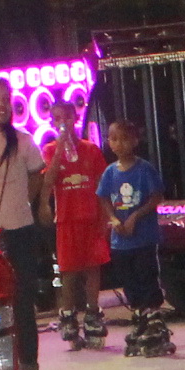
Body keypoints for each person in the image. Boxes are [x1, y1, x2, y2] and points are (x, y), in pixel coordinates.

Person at [0, 79, 49, 370]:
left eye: (6, 99)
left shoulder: (22, 141)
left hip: (20, 231)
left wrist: (25, 203)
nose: (1, 105)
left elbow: (38, 174)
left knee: (22, 304)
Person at [98, 116, 170, 355]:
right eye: (113, 139)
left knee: (146, 276)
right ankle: (139, 317)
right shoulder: (110, 172)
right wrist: (113, 218)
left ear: (135, 141)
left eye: (123, 139)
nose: (118, 144)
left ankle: (154, 320)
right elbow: (103, 197)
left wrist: (135, 217)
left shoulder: (144, 169)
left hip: (144, 239)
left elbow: (156, 196)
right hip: (121, 242)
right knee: (129, 281)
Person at [47, 99, 111, 346]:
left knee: (93, 267)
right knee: (69, 271)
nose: (63, 123)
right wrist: (60, 149)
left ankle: (93, 313)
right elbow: (49, 180)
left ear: (75, 118)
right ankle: (68, 315)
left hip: (91, 217)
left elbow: (102, 185)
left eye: (67, 117)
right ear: (52, 123)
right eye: (57, 119)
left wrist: (105, 217)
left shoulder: (91, 149)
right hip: (67, 219)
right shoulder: (50, 150)